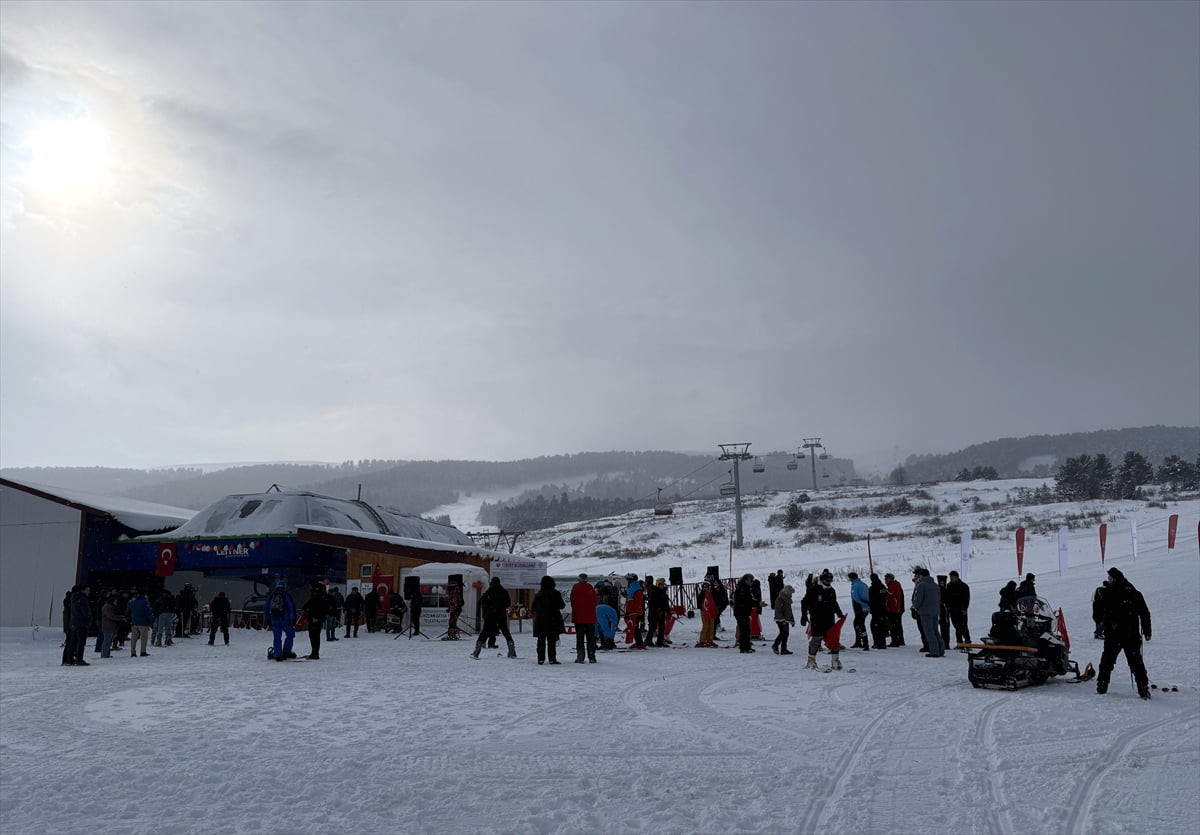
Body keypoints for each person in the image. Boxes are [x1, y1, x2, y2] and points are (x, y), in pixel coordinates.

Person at [1096, 567, 1152, 699]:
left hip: (1114, 635)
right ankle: (1143, 688)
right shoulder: (1133, 592)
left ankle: (1102, 686)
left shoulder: (1107, 593)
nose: (1108, 580)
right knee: (1136, 662)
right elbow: (1144, 613)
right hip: (1130, 634)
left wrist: (1098, 601)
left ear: (1114, 579)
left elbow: (1097, 617)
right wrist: (1147, 631)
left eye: (1109, 578)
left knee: (1107, 662)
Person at [802, 570, 844, 670]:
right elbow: (804, 602)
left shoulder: (831, 590)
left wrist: (839, 613)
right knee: (817, 639)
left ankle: (835, 660)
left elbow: (834, 603)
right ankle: (811, 660)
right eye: (827, 580)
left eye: (830, 581)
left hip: (829, 619)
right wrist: (803, 615)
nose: (829, 582)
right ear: (822, 580)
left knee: (833, 639)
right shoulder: (814, 590)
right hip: (817, 619)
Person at [472, 577, 517, 659]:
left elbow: (482, 601)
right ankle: (512, 651)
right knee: (505, 632)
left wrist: (488, 608)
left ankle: (476, 652)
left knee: (485, 632)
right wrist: (501, 607)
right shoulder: (504, 592)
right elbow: (508, 603)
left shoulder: (489, 591)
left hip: (490, 614)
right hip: (501, 615)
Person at [531, 575, 566, 665]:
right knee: (551, 640)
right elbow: (562, 605)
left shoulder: (538, 595)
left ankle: (540, 659)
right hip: (553, 620)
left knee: (541, 640)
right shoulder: (556, 594)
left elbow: (533, 608)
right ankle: (552, 658)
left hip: (541, 621)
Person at [911, 568, 944, 657]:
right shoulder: (935, 585)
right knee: (936, 631)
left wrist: (915, 607)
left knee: (929, 632)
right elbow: (939, 598)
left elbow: (918, 600)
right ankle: (941, 650)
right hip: (935, 611)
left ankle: (934, 651)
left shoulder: (921, 585)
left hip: (925, 612)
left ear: (922, 576)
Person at [264, 581, 296, 662]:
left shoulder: (272, 595)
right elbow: (291, 607)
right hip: (285, 620)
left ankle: (278, 655)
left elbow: (266, 607)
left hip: (275, 620)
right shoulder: (286, 595)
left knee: (277, 638)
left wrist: (268, 618)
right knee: (290, 635)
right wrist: (292, 618)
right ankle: (286, 652)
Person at [570, 573, 599, 663]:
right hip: (590, 618)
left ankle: (580, 657)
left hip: (579, 617)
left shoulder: (575, 587)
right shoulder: (590, 587)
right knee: (591, 638)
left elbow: (572, 601)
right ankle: (592, 657)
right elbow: (595, 601)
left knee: (580, 638)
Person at [62, 584, 92, 666]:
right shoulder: (82, 599)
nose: (89, 592)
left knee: (73, 642)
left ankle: (69, 659)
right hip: (81, 623)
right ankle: (79, 659)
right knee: (81, 642)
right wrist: (88, 620)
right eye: (87, 590)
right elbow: (86, 613)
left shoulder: (73, 598)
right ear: (83, 590)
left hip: (74, 623)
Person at [301, 582, 328, 659]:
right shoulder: (321, 595)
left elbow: (315, 606)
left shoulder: (317, 596)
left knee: (314, 635)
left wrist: (316, 616)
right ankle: (314, 652)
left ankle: (315, 652)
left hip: (315, 618)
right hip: (316, 618)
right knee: (314, 635)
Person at [944, 570, 971, 647]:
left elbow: (966, 598)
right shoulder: (949, 585)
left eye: (952, 577)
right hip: (952, 609)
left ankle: (968, 641)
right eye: (950, 577)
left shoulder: (963, 586)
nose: (951, 578)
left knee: (963, 626)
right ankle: (959, 642)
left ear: (956, 577)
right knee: (956, 626)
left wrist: (964, 608)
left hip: (961, 609)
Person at [733, 573, 757, 653]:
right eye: (751, 580)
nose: (752, 582)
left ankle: (747, 646)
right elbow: (747, 600)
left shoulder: (746, 588)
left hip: (744, 612)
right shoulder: (742, 589)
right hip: (741, 612)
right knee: (744, 630)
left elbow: (748, 600)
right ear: (746, 580)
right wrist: (757, 603)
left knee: (747, 630)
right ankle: (744, 648)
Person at [125, 589, 153, 657]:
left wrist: (131, 619)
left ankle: (133, 652)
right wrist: (150, 621)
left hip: (134, 622)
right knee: (143, 638)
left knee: (133, 638)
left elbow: (127, 612)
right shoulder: (145, 602)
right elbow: (148, 613)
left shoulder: (131, 602)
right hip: (143, 622)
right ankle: (143, 651)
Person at [848, 572, 870, 651]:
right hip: (866, 608)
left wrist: (862, 603)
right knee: (860, 624)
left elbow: (856, 598)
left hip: (859, 608)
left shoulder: (855, 586)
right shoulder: (864, 584)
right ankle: (860, 641)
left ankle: (864, 642)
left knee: (859, 625)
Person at [771, 584, 795, 655]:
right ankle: (775, 645)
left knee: (785, 634)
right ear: (786, 592)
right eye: (790, 593)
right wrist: (782, 619)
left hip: (786, 620)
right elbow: (778, 610)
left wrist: (792, 620)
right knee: (783, 633)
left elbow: (789, 611)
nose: (791, 595)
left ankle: (783, 649)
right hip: (780, 620)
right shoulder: (780, 599)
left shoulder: (787, 600)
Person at [99, 594, 125, 659]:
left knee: (108, 641)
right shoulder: (108, 607)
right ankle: (104, 654)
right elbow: (111, 616)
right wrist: (120, 618)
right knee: (107, 641)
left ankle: (106, 654)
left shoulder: (109, 607)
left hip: (111, 626)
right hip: (109, 626)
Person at [646, 577, 670, 648]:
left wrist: (668, 611)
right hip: (653, 612)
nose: (662, 586)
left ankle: (660, 642)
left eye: (663, 584)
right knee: (652, 627)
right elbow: (652, 603)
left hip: (661, 613)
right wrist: (657, 609)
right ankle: (648, 641)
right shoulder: (653, 592)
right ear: (658, 584)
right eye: (661, 584)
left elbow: (666, 603)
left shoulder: (663, 592)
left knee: (662, 627)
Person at [624, 573, 645, 649]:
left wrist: (628, 612)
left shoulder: (631, 589)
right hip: (639, 611)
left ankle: (639, 644)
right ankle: (639, 643)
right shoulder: (639, 587)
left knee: (634, 628)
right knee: (636, 628)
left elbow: (630, 602)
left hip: (633, 612)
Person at [884, 573, 905, 647]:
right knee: (897, 625)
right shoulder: (895, 585)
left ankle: (896, 641)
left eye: (886, 579)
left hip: (894, 609)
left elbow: (890, 593)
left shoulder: (893, 585)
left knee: (894, 625)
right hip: (895, 608)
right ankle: (899, 640)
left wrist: (884, 591)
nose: (885, 581)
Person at [868, 574, 888, 649]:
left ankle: (877, 643)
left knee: (875, 627)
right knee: (881, 626)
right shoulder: (882, 586)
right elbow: (885, 596)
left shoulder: (873, 588)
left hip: (876, 610)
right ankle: (882, 643)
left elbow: (872, 600)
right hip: (883, 609)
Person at [696, 581, 718, 647]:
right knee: (705, 626)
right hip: (705, 612)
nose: (706, 589)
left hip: (711, 612)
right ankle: (702, 640)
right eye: (705, 587)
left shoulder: (711, 594)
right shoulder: (701, 595)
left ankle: (709, 640)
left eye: (707, 587)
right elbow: (699, 604)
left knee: (711, 626)